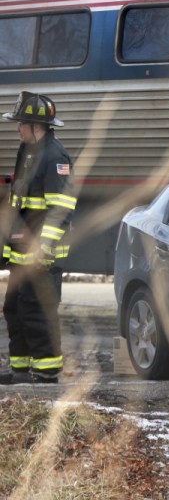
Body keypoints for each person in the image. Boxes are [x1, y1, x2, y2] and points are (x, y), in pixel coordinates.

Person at [0, 91, 77, 384]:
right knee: (15, 309)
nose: (17, 128)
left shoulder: (55, 156)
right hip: (21, 252)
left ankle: (45, 372)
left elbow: (61, 209)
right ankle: (20, 370)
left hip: (42, 255)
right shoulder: (27, 151)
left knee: (37, 311)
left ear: (37, 126)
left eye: (21, 123)